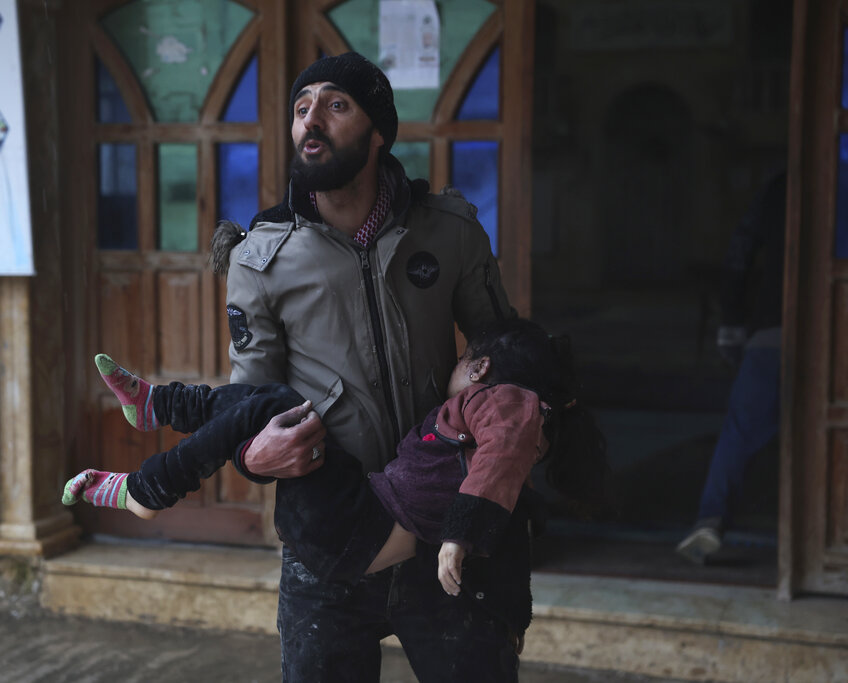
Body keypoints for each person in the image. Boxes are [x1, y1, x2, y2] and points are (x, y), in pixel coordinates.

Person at [209, 51, 519, 680]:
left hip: (444, 528)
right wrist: (251, 454)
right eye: (301, 108)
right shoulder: (260, 259)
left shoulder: (451, 232)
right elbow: (250, 404)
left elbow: (508, 359)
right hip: (329, 540)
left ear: (378, 132)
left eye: (335, 105)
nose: (311, 120)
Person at [64, 319, 608, 672]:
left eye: (461, 358)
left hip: (355, 530)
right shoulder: (511, 411)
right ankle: (160, 407)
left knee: (274, 404)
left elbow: (501, 458)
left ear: (480, 368)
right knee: (267, 402)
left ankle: (148, 485)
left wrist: (461, 535)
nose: (454, 366)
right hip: (360, 520)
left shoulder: (508, 402)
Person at [676, 170, 786, 564]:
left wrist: (732, 322)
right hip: (833, 330)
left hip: (774, 327)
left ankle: (712, 518)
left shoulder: (782, 186)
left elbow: (740, 252)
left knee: (740, 428)